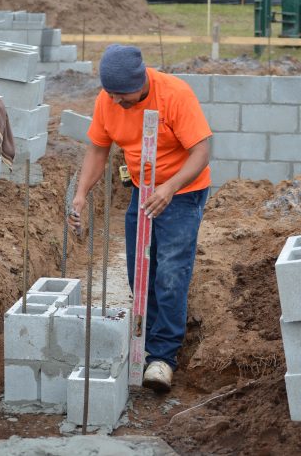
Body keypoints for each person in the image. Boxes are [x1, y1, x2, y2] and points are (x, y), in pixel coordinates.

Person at [69, 44, 212, 392]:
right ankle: (143, 342)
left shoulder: (174, 94)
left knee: (170, 273)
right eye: (111, 94)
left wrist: (170, 187)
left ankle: (163, 357)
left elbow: (203, 150)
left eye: (122, 94)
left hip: (183, 190)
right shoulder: (109, 100)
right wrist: (81, 194)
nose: (116, 102)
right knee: (140, 272)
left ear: (141, 81)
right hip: (142, 189)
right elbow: (98, 149)